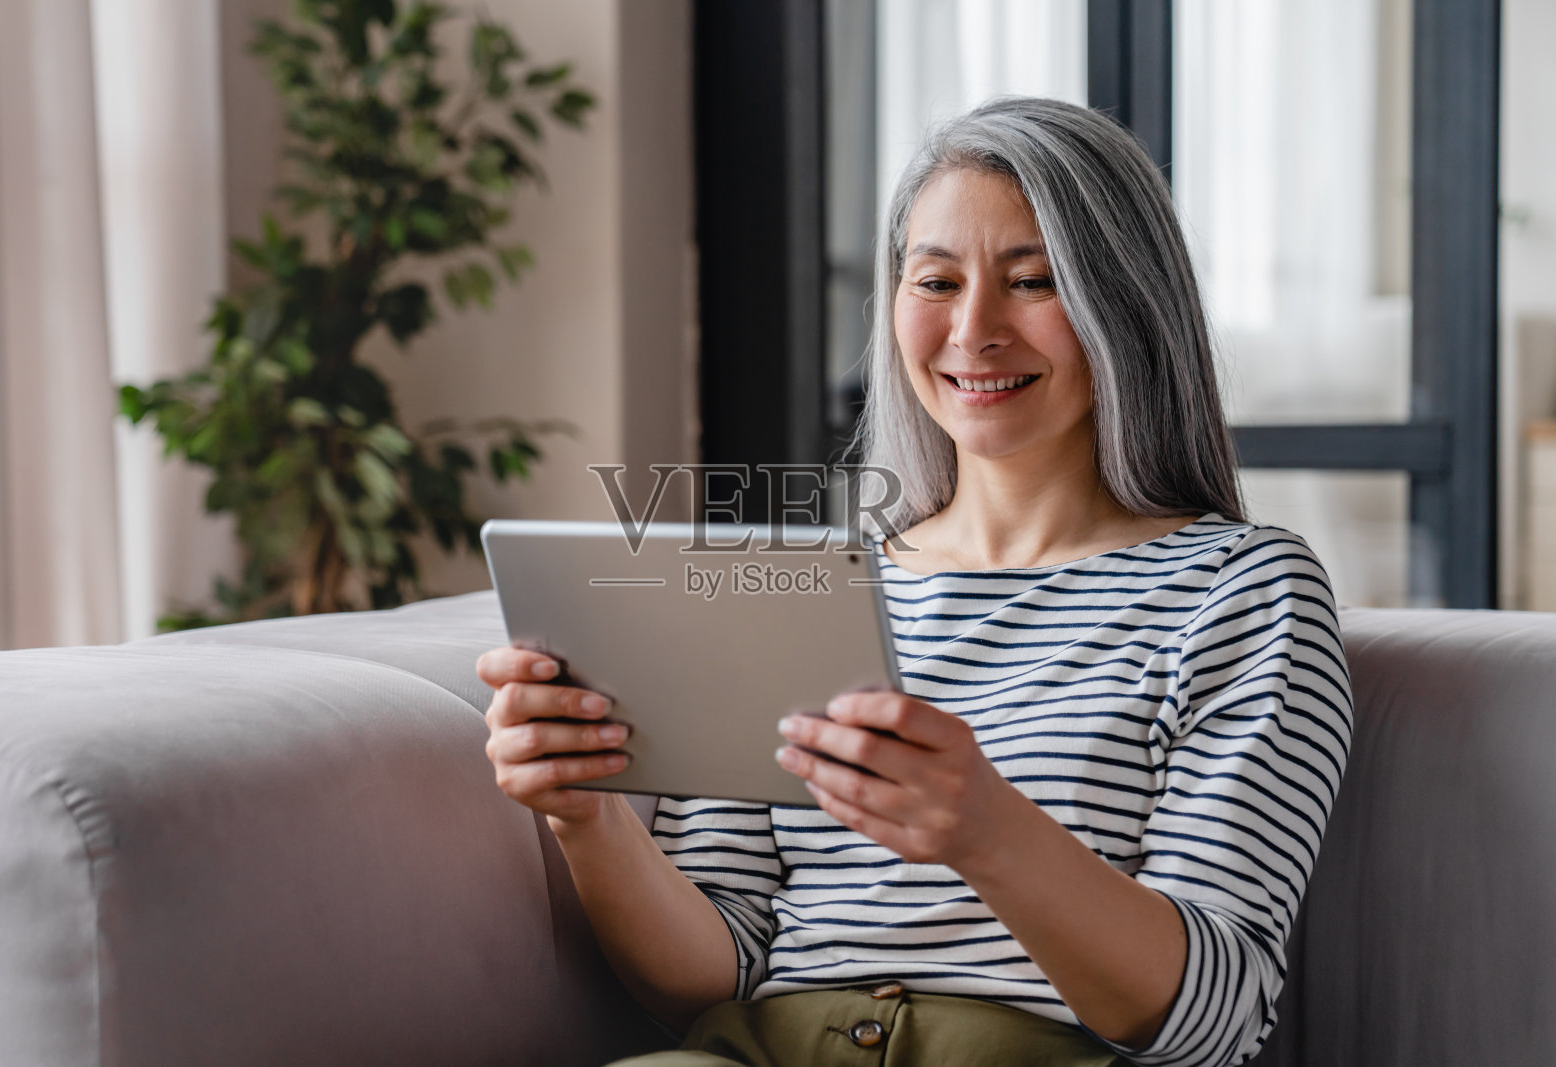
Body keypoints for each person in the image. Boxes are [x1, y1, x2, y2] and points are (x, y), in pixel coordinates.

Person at [476, 96, 1352, 1067]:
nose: (972, 330)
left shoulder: (1238, 588)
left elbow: (1214, 1016)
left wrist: (989, 832)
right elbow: (711, 974)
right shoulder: (797, 587)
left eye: (1033, 281)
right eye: (934, 279)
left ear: (1125, 301)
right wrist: (584, 813)